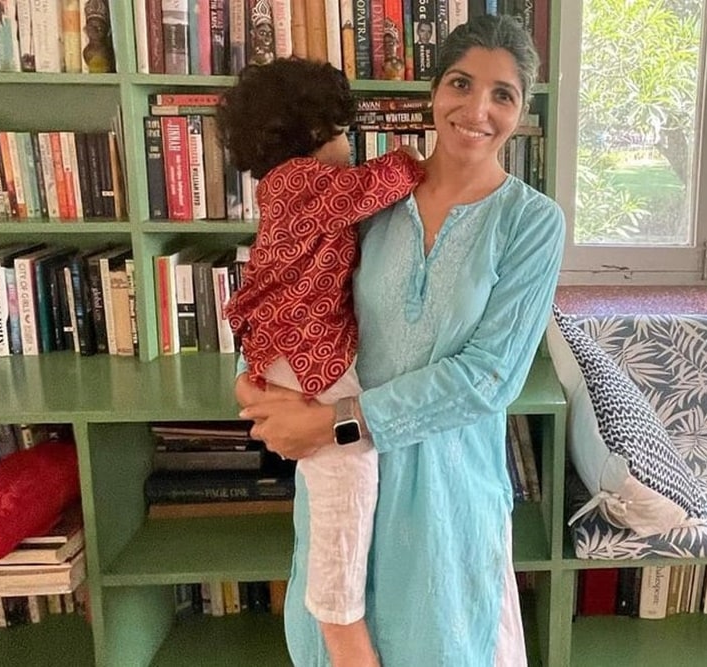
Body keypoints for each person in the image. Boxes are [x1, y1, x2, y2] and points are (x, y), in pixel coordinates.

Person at [235, 14, 564, 666]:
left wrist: (333, 425)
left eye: (502, 94)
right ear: (433, 92)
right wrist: (255, 384)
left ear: (521, 111)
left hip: (446, 500)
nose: (477, 109)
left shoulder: (532, 223)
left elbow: (488, 379)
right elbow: (287, 291)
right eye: (461, 83)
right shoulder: (365, 200)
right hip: (345, 493)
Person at [217, 57, 425, 667]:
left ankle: (336, 612)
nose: (348, 148)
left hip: (296, 348)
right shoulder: (300, 182)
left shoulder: (286, 188)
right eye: (342, 133)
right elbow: (370, 187)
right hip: (305, 352)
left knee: (329, 478)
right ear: (312, 133)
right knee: (346, 474)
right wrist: (416, 162)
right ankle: (341, 625)